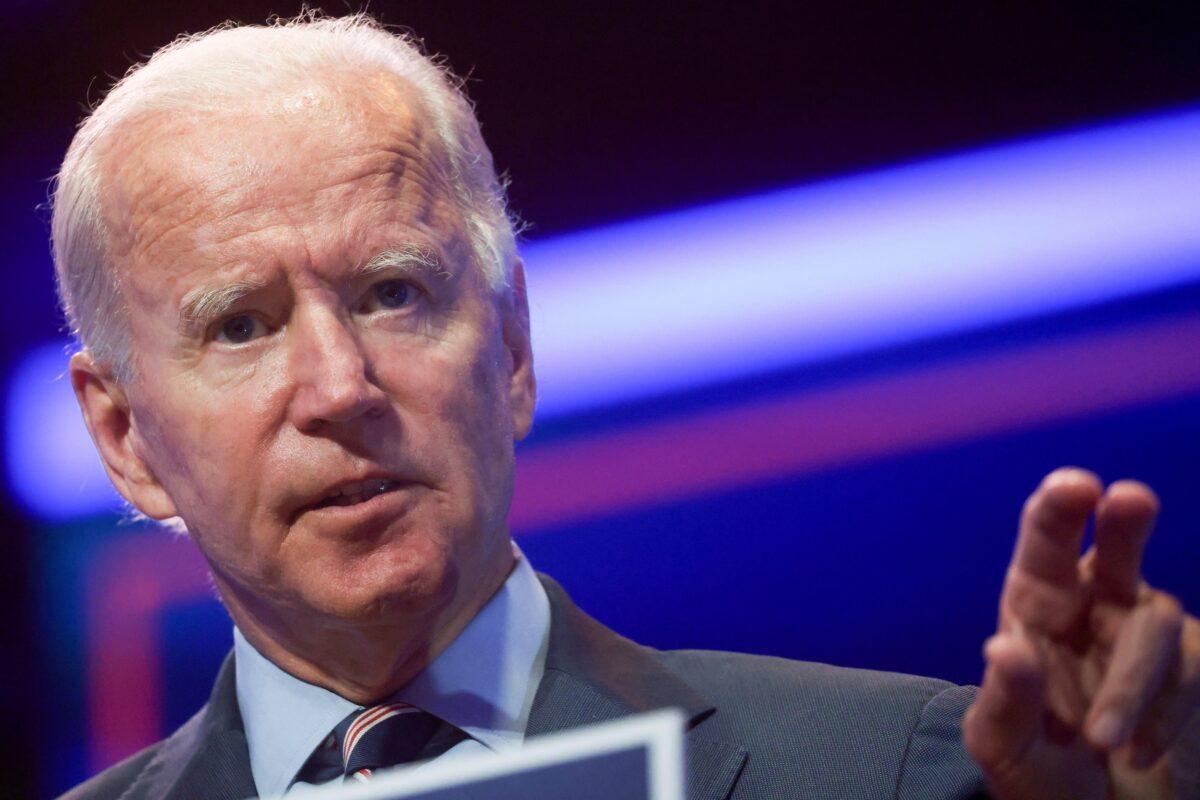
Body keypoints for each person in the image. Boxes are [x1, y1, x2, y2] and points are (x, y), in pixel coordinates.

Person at [50, 13, 1198, 800]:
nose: (340, 385)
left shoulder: (897, 768)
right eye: (242, 324)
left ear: (509, 344)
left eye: (393, 292)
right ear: (125, 435)